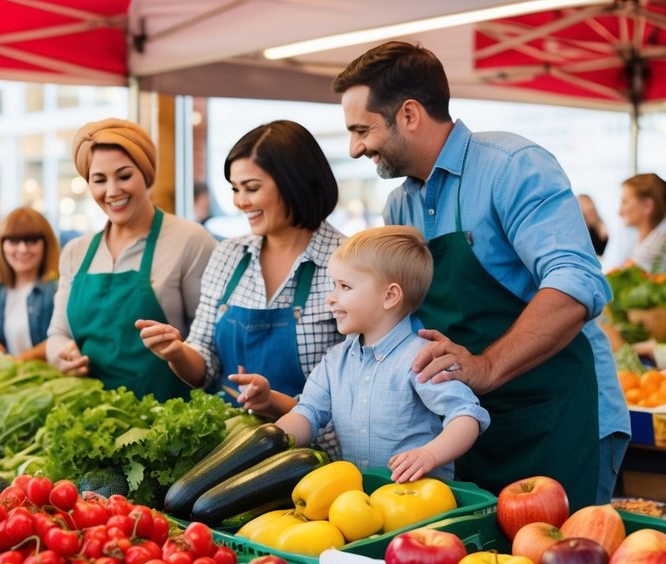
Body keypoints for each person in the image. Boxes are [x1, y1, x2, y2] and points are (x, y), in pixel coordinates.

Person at [333, 40, 628, 506]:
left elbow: (575, 283)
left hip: (557, 419)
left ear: (409, 115)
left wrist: (487, 366)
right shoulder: (399, 205)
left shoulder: (512, 167)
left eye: (361, 129)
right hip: (467, 426)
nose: (354, 148)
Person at [136, 121, 345, 422]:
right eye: (235, 189)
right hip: (232, 446)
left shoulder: (348, 261)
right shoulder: (229, 255)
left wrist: (272, 402)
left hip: (315, 454)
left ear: (294, 182)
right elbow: (204, 365)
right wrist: (175, 352)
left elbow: (356, 386)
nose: (239, 201)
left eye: (252, 188)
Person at [275, 227, 488, 482]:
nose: (331, 298)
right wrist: (271, 441)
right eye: (334, 285)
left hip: (419, 503)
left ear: (390, 296)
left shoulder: (422, 359)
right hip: (359, 501)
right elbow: (307, 413)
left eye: (344, 286)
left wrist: (429, 455)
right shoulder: (334, 361)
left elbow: (466, 415)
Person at [47, 118, 217, 400]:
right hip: (95, 415)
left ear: (146, 175)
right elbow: (57, 333)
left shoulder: (190, 241)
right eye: (99, 180)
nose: (112, 191)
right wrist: (62, 356)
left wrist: (177, 351)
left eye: (124, 176)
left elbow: (209, 348)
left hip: (171, 424)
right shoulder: (76, 252)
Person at [0, 207, 60, 361]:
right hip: (12, 380)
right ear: (2, 245)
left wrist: (19, 361)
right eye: (13, 240)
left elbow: (62, 340)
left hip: (49, 380)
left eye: (31, 240)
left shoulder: (56, 290)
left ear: (45, 244)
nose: (22, 249)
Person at [618, 173, 666, 272]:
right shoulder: (642, 241)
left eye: (625, 202)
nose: (620, 211)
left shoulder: (657, 250)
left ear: (647, 206)